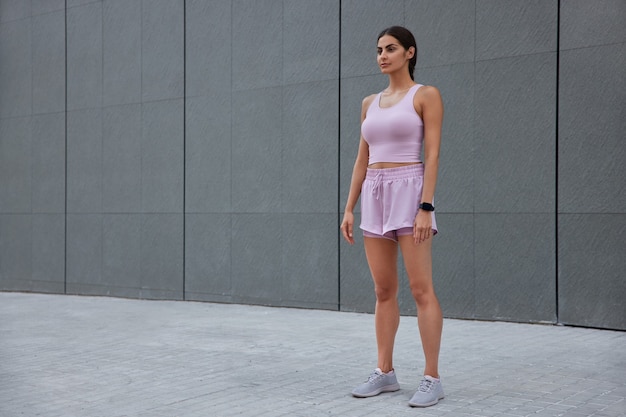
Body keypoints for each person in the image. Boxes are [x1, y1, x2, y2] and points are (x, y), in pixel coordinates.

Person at [340, 26, 444, 408]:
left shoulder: (425, 95)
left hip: (410, 190)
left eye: (391, 48)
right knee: (383, 291)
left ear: (409, 52)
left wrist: (425, 206)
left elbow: (431, 154)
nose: (382, 55)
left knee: (421, 290)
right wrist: (350, 207)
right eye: (379, 49)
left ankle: (432, 377)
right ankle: (385, 372)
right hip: (375, 193)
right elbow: (361, 159)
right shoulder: (369, 102)